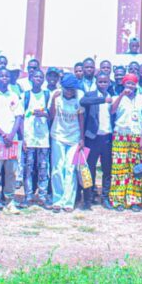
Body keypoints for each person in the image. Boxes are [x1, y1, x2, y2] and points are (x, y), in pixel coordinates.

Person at [0, 67, 24, 215]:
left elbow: (19, 116)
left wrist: (12, 134)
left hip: (11, 141)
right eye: (1, 76)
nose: (4, 78)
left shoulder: (14, 95)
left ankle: (9, 200)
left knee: (11, 172)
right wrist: (2, 134)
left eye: (7, 76)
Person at [110, 73, 142, 211]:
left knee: (135, 168)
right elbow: (112, 111)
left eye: (133, 84)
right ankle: (118, 200)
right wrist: (122, 95)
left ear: (136, 85)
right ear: (123, 84)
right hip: (121, 135)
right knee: (119, 168)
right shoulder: (117, 97)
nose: (130, 86)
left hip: (137, 136)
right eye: (128, 83)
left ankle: (134, 200)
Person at [48, 73, 85, 212]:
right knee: (57, 168)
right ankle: (57, 200)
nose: (70, 92)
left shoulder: (80, 96)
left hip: (74, 138)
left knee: (70, 169)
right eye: (67, 89)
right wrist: (53, 100)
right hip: (58, 136)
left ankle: (68, 202)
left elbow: (81, 118)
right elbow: (51, 116)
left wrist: (82, 138)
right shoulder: (56, 95)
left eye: (72, 89)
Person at [79, 73, 114, 210]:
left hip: (107, 138)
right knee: (89, 170)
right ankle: (88, 199)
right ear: (96, 82)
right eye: (100, 82)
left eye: (105, 82)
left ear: (109, 83)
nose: (103, 84)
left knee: (107, 169)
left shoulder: (112, 96)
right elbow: (83, 101)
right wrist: (103, 100)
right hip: (92, 138)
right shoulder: (90, 95)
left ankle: (105, 198)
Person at [22, 69, 51, 206]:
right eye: (35, 77)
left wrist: (44, 114)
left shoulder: (47, 95)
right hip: (29, 136)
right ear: (31, 78)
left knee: (43, 168)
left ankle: (43, 196)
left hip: (43, 138)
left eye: (40, 77)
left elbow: (52, 114)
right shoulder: (25, 95)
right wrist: (23, 138)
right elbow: (21, 116)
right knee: (28, 168)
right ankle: (28, 196)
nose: (38, 79)